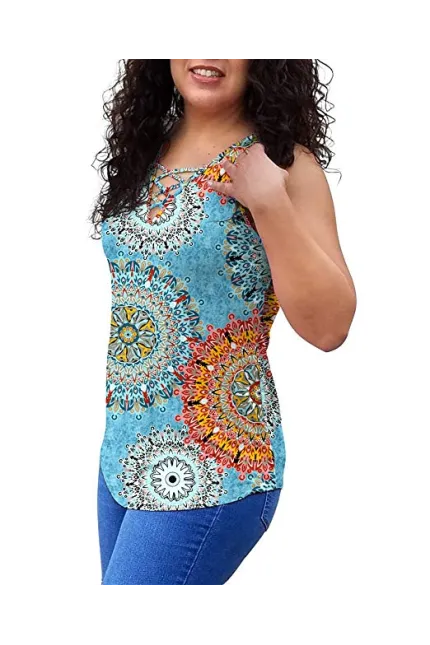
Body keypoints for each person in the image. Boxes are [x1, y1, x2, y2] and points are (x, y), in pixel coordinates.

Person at [90, 56, 357, 589]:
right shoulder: (148, 147)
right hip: (125, 454)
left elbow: (330, 328)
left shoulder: (284, 163)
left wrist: (269, 202)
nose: (207, 51)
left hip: (217, 466)